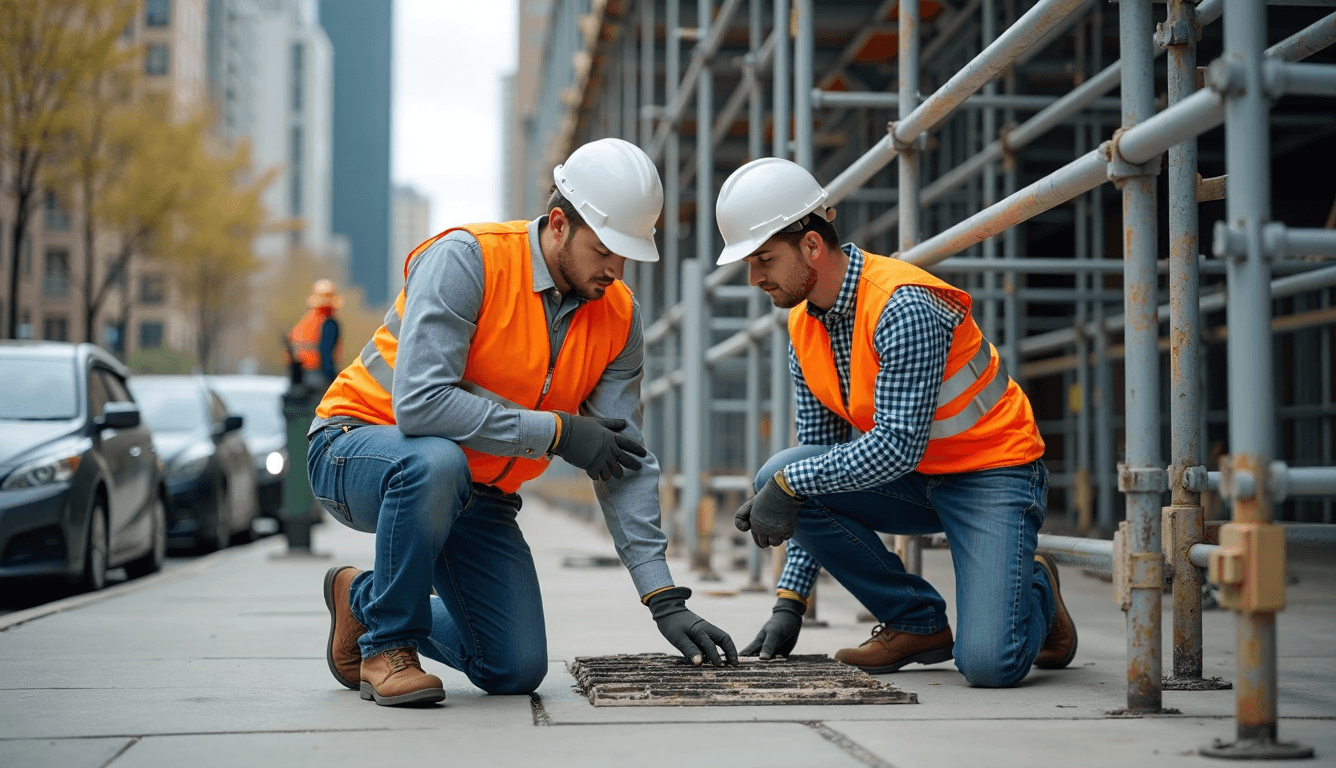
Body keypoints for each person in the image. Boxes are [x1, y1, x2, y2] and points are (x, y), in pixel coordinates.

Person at [307, 138, 737, 707]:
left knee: (514, 667)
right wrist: (557, 432)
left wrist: (663, 595)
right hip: (358, 450)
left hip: (478, 494)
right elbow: (420, 404)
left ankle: (361, 598)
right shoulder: (468, 259)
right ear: (559, 223)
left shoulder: (619, 316)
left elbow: (621, 457)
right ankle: (389, 645)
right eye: (605, 248)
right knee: (435, 459)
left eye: (628, 252)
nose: (615, 267)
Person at [716, 157, 1074, 688]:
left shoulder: (900, 305)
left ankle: (1036, 589)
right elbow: (817, 455)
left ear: (812, 245)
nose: (754, 278)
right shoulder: (802, 325)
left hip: (992, 472)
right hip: (914, 481)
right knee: (782, 473)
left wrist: (791, 484)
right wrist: (791, 600)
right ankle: (916, 621)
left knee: (989, 666)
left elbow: (894, 447)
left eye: (764, 258)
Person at [288, 279, 343, 391]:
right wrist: (334, 379)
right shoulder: (329, 323)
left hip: (298, 375)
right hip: (317, 376)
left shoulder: (307, 320)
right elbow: (326, 353)